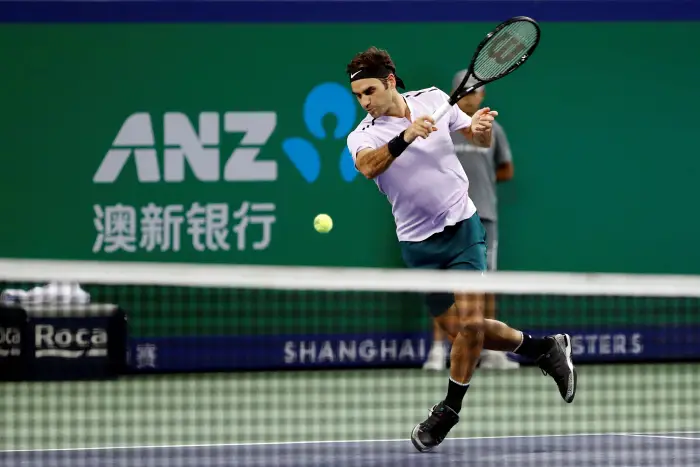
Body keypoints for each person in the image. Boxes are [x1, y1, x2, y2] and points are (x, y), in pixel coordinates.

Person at [344, 47, 577, 453]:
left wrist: (482, 128)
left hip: (462, 227)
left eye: (369, 91)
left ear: (390, 82)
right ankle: (544, 347)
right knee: (462, 334)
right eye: (358, 96)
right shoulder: (363, 135)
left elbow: (476, 136)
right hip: (417, 244)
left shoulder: (434, 99)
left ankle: (447, 411)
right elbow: (368, 167)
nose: (365, 102)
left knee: (471, 324)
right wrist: (406, 136)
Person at [422, 71, 518, 371]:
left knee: (486, 283)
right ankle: (439, 350)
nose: (469, 96)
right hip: (444, 218)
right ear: (454, 93)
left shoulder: (494, 130)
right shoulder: (439, 128)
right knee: (443, 286)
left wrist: (479, 184)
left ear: (482, 96)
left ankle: (492, 352)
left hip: (484, 215)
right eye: (463, 91)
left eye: (475, 91)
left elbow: (506, 170)